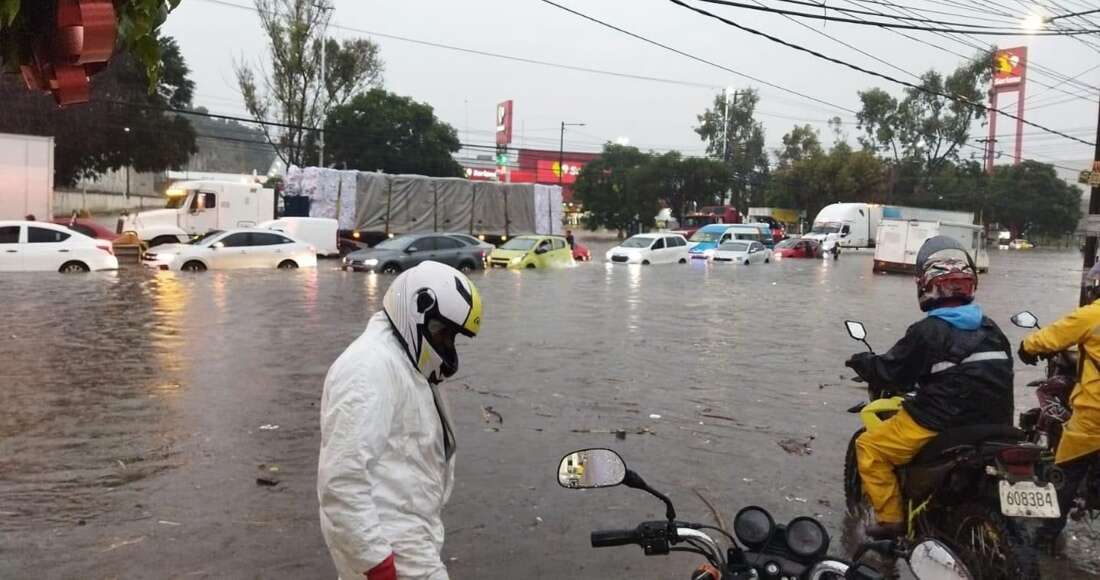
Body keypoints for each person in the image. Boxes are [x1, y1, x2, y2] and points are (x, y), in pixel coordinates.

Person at [318, 261, 483, 580]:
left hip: (403, 537)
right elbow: (341, 478)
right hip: (392, 549)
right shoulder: (368, 367)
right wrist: (375, 562)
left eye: (452, 337)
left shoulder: (403, 361)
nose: (447, 345)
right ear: (419, 310)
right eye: (443, 332)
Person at [846, 236, 1014, 539]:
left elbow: (892, 372)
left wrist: (863, 362)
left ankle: (892, 520)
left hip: (941, 421)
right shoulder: (992, 328)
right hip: (996, 423)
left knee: (869, 448)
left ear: (927, 287)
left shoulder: (928, 331)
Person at [1019, 261, 1100, 550]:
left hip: (1094, 415)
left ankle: (1046, 538)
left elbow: (1051, 336)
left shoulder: (1092, 315)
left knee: (1067, 471)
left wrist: (1027, 348)